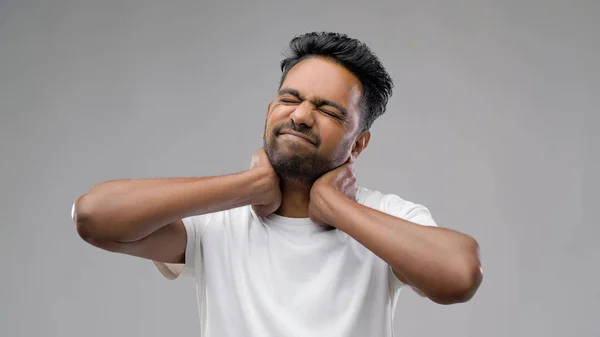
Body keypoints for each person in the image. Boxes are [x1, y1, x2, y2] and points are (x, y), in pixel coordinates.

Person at [72, 32, 483, 337]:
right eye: (290, 99)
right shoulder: (215, 224)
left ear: (358, 143)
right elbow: (93, 217)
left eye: (327, 109)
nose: (301, 115)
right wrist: (248, 186)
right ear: (270, 110)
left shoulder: (388, 218)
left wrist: (334, 206)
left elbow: (460, 275)